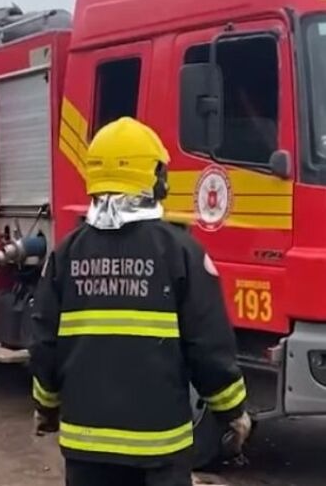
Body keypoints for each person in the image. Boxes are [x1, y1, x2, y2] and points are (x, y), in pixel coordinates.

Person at [29, 117, 252, 486]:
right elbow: (209, 344)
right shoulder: (181, 252)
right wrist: (233, 412)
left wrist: (46, 407)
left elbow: (44, 342)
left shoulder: (66, 254)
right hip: (160, 452)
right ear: (155, 178)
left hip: (87, 448)